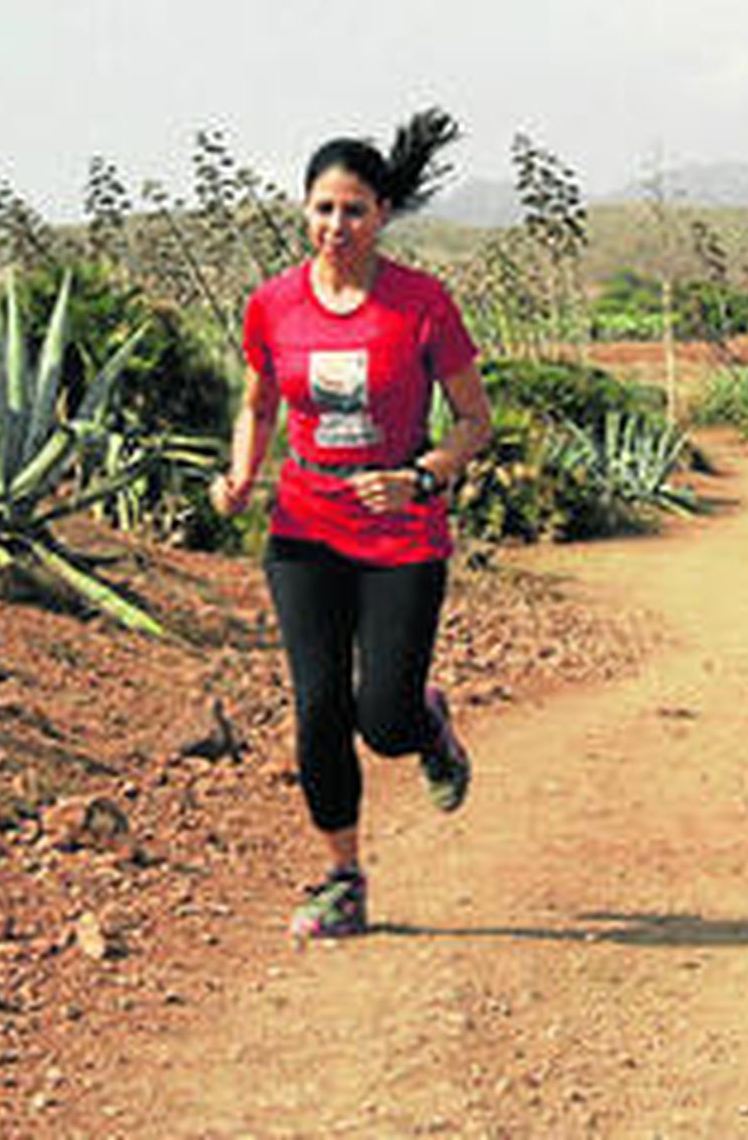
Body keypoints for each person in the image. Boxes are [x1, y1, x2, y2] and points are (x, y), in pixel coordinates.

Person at [210, 108, 493, 940]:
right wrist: (241, 474)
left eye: (355, 210)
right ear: (305, 210)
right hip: (304, 529)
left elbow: (475, 421)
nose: (337, 226)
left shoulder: (421, 304)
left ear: (383, 216)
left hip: (401, 535)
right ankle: (344, 877)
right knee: (319, 711)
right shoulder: (272, 305)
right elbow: (259, 404)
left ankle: (426, 723)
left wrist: (419, 476)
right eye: (323, 209)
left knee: (384, 718)